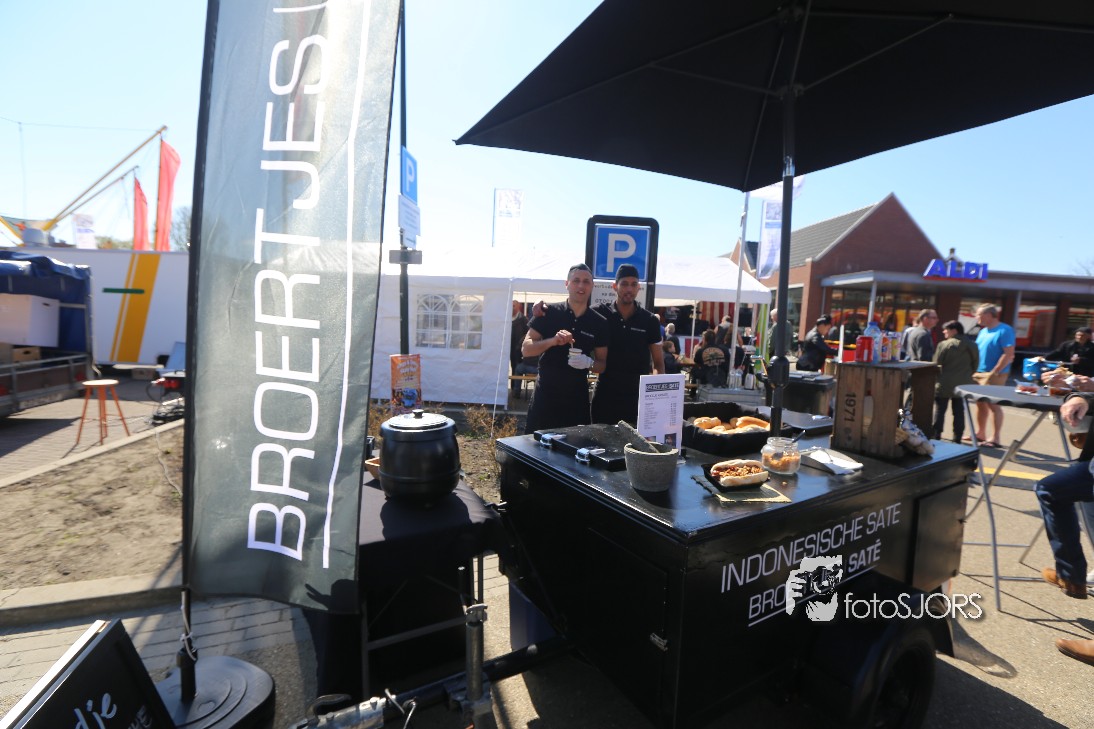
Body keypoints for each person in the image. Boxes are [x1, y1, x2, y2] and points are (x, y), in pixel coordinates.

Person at [522, 263, 608, 434]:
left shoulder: (599, 322)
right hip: (545, 398)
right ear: (567, 284)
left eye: (586, 281)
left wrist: (588, 363)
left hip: (576, 402)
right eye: (576, 281)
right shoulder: (548, 312)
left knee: (574, 450)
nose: (581, 286)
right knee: (536, 448)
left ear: (592, 286)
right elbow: (526, 349)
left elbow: (602, 364)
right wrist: (552, 341)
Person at [591, 264, 665, 425]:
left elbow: (658, 363)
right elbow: (574, 310)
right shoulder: (599, 312)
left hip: (637, 399)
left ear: (639, 288)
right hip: (605, 396)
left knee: (634, 442)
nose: (629, 289)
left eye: (633, 284)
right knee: (602, 441)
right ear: (614, 286)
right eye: (624, 284)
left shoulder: (650, 320)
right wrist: (543, 307)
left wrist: (656, 396)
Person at [971, 304, 1016, 447]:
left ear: (989, 315)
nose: (976, 317)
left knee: (994, 405)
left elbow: (1008, 353)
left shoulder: (1005, 330)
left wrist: (995, 371)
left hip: (995, 373)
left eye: (979, 314)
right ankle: (980, 433)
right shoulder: (983, 331)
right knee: (980, 403)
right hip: (979, 372)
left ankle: (995, 438)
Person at [931, 320, 978, 442]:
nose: (944, 332)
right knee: (959, 412)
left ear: (954, 331)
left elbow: (936, 364)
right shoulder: (972, 345)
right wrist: (967, 375)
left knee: (940, 411)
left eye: (946, 329)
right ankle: (957, 437)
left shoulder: (944, 345)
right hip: (963, 384)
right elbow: (975, 365)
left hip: (944, 383)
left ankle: (936, 435)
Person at [510, 300, 529, 395]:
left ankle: (515, 390)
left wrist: (520, 344)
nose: (511, 308)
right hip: (506, 348)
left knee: (515, 367)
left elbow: (528, 334)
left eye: (513, 306)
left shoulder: (524, 320)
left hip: (517, 349)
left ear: (518, 307)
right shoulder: (505, 318)